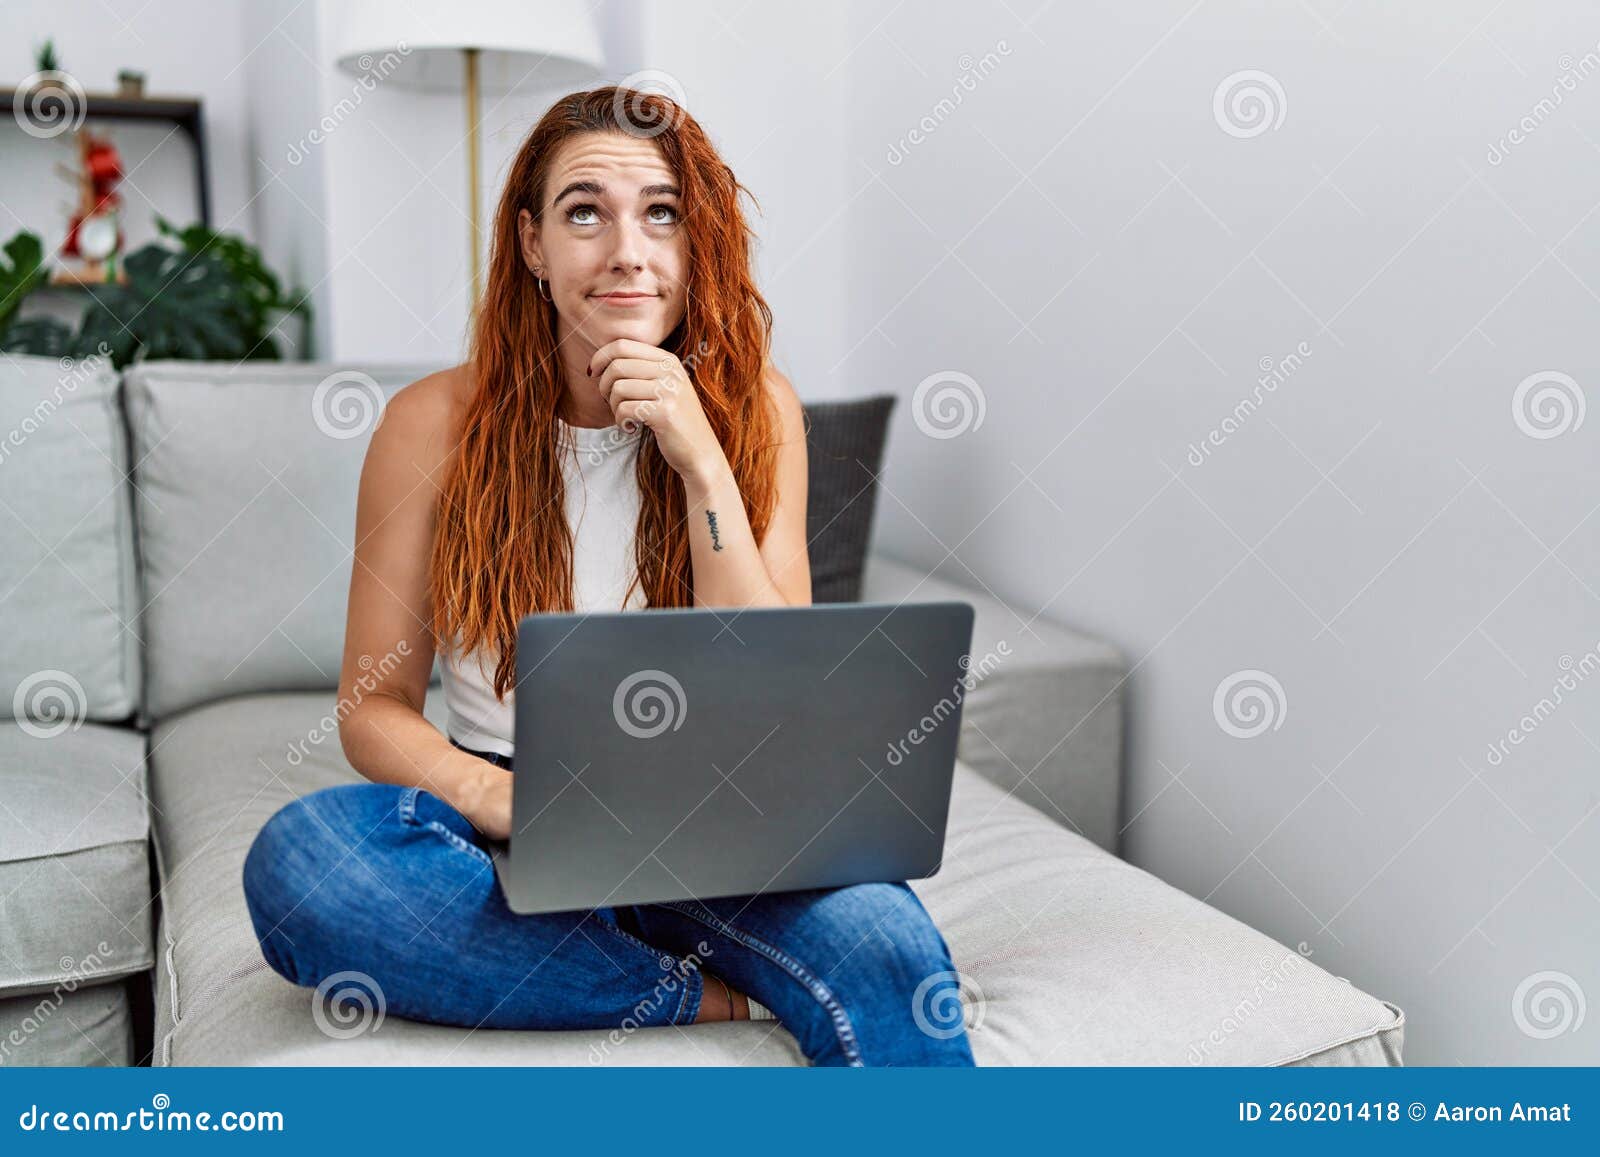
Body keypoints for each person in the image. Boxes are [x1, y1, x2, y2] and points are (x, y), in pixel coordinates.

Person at [242, 86, 975, 1067]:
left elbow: (777, 682)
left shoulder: (758, 407)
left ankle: (572, 962)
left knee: (888, 948)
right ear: (534, 244)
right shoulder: (430, 422)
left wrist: (700, 458)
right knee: (311, 863)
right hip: (510, 804)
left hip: (722, 808)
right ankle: (689, 994)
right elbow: (371, 709)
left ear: (694, 242)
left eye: (661, 213)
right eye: (585, 211)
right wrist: (499, 800)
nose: (627, 249)